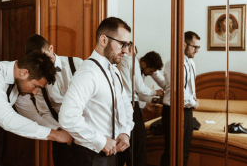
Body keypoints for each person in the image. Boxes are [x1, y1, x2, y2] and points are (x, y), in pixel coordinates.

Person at [59, 17, 134, 166]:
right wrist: (100, 141)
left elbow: (125, 103)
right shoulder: (88, 73)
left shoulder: (114, 70)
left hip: (111, 154)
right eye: (122, 44)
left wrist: (125, 132)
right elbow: (67, 116)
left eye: (128, 44)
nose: (125, 50)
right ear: (103, 40)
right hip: (90, 156)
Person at [15, 34, 83, 166]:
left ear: (51, 48)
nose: (41, 63)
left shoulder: (77, 64)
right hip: (62, 138)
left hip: (87, 135)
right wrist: (60, 132)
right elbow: (45, 112)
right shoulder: (38, 80)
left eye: (43, 57)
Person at [159, 31, 200, 166]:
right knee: (171, 150)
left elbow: (189, 87)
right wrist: (194, 103)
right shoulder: (173, 63)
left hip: (187, 111)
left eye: (198, 47)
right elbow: (178, 92)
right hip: (173, 110)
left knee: (184, 150)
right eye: (194, 47)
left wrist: (193, 99)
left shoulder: (191, 63)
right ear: (184, 44)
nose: (197, 51)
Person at [117, 48, 163, 166]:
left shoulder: (130, 64)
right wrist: (156, 92)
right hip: (131, 106)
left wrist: (145, 105)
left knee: (127, 142)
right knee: (139, 143)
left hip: (127, 105)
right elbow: (140, 89)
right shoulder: (132, 62)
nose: (150, 74)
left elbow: (132, 93)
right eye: (151, 71)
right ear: (144, 64)